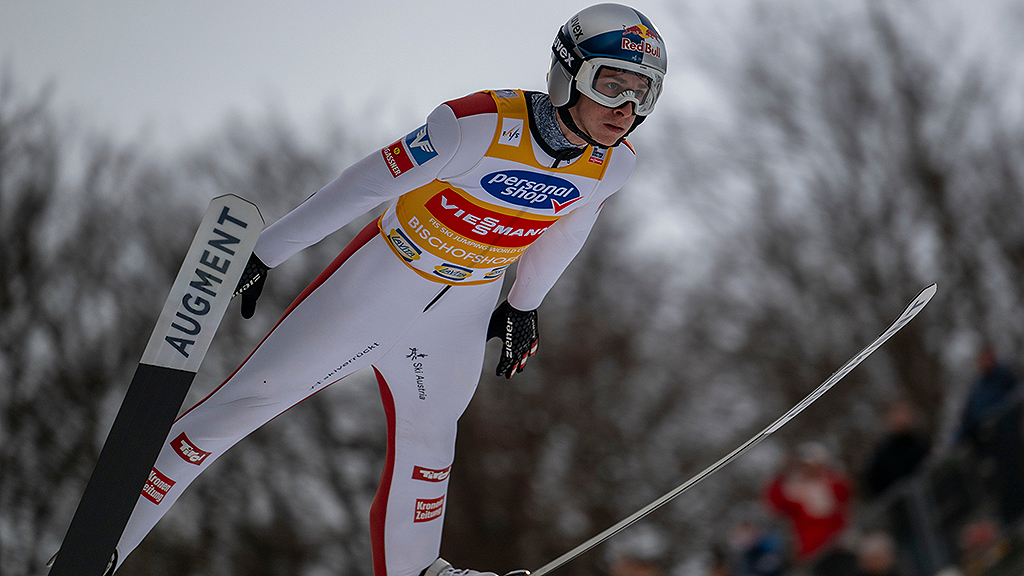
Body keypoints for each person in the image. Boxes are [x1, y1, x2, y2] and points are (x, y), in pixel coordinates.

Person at [101, 4, 669, 576]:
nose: (625, 108)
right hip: (383, 281)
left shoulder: (613, 165)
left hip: (462, 311)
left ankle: (417, 571)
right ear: (567, 75)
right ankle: (104, 543)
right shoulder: (477, 125)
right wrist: (265, 251)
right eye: (610, 85)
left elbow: (568, 231)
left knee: (430, 448)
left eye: (642, 93)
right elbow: (365, 184)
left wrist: (524, 306)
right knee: (242, 406)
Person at [955, 344, 1024, 528]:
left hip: (1010, 440)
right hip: (989, 449)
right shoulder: (977, 388)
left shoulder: (1006, 376)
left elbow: (1015, 398)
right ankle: (1009, 523)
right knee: (1001, 488)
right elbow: (967, 418)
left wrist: (996, 417)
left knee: (1016, 480)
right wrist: (956, 440)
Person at [763, 442, 854, 572]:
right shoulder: (794, 490)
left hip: (837, 546)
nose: (810, 469)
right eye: (806, 466)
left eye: (814, 465)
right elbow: (775, 502)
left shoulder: (831, 483)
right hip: (811, 552)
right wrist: (780, 475)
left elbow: (846, 492)